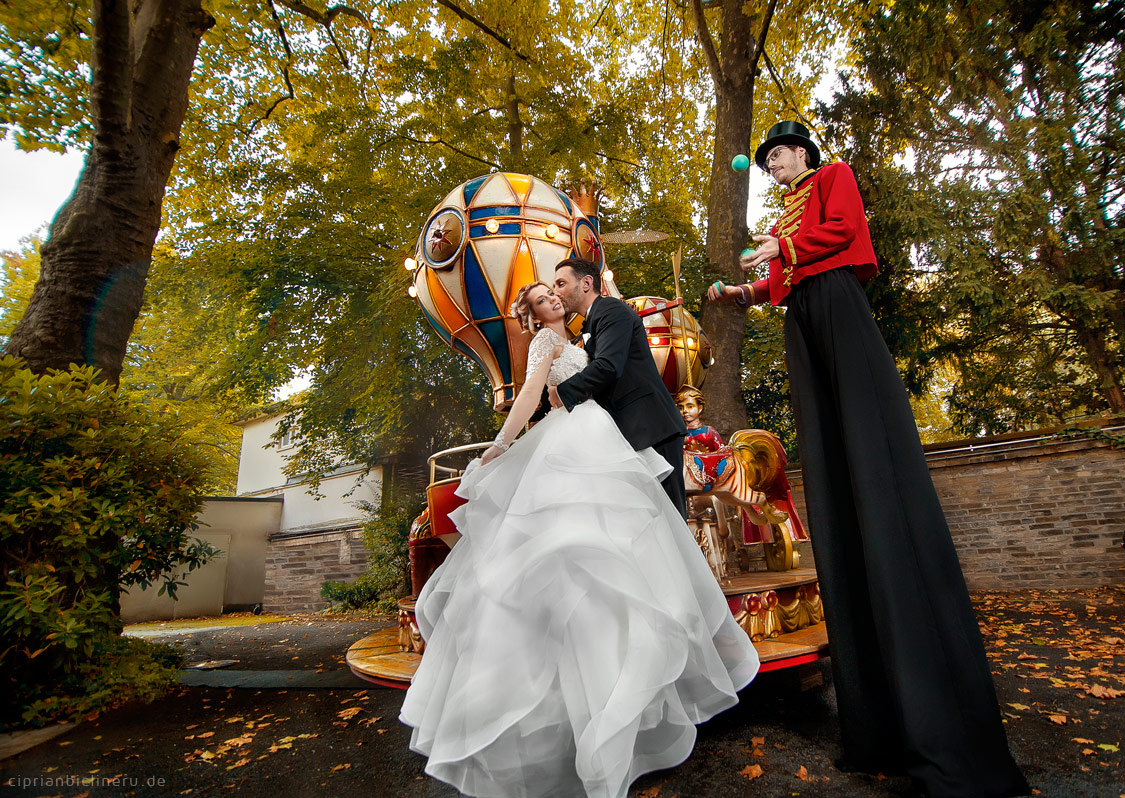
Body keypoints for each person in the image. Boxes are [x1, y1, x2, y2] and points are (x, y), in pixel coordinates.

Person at [708, 121, 1029, 798]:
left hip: (839, 302)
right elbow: (781, 275)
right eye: (765, 160)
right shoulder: (785, 212)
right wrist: (746, 293)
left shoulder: (833, 177)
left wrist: (783, 245)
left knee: (868, 447)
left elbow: (843, 233)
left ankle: (937, 729)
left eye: (779, 154)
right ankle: (875, 727)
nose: (772, 165)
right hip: (801, 319)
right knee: (828, 465)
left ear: (804, 153)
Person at [400, 280, 759, 798]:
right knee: (571, 551)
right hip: (571, 439)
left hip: (600, 435)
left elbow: (608, 369)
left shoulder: (584, 338)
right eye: (542, 296)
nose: (550, 296)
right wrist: (502, 443)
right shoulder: (546, 343)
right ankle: (571, 718)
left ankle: (619, 697)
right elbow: (529, 394)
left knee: (620, 554)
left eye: (553, 290)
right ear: (531, 313)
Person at [549, 258, 689, 518]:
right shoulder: (589, 324)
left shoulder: (611, 310)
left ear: (587, 283)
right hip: (630, 432)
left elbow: (608, 367)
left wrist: (563, 392)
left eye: (561, 283)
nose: (555, 292)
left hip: (652, 428)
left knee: (670, 519)